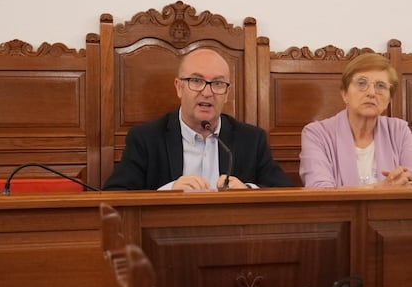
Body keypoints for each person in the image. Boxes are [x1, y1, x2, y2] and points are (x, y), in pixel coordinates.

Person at [103, 48, 292, 191]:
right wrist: (169, 191)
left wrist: (247, 191)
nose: (207, 92)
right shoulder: (146, 138)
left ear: (227, 93)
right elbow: (115, 195)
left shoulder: (251, 139)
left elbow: (284, 193)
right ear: (179, 87)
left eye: (217, 83)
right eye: (196, 81)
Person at [299, 53, 412, 188]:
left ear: (389, 99)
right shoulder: (316, 134)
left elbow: (409, 181)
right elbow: (319, 191)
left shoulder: (399, 131)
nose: (371, 92)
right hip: (338, 210)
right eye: (361, 83)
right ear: (344, 94)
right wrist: (379, 189)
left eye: (380, 86)